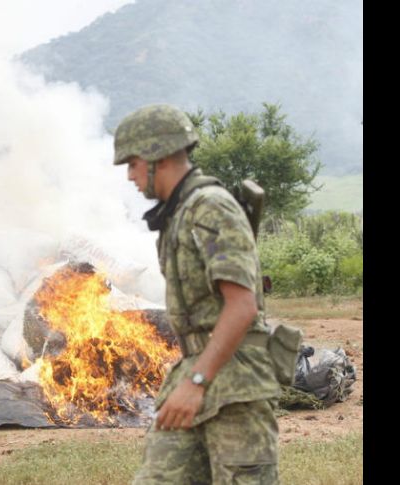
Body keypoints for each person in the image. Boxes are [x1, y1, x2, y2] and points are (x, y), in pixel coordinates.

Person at [114, 105, 280, 484]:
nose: (129, 175)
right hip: (194, 370)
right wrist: (190, 380)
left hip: (236, 386)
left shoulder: (212, 208)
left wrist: (196, 382)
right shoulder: (180, 213)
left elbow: (242, 306)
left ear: (158, 156)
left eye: (133, 163)